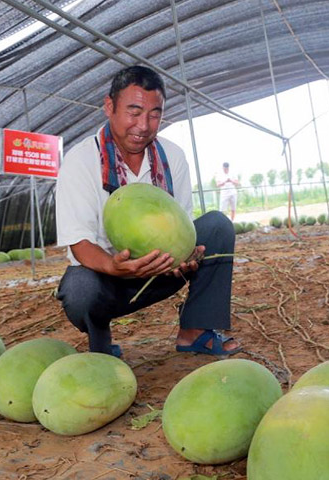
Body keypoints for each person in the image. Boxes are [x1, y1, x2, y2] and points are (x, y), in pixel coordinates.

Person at [55, 65, 240, 358]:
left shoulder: (172, 157)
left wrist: (186, 255)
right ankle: (100, 342)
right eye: (134, 111)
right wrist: (114, 266)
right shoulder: (80, 161)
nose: (144, 125)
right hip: (108, 278)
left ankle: (195, 329)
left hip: (161, 270)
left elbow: (183, 225)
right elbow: (78, 242)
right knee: (79, 290)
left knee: (217, 226)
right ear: (109, 107)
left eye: (154, 114)